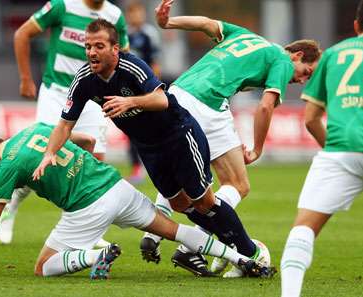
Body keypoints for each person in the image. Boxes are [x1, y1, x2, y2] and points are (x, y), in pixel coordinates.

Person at [33, 19, 270, 278]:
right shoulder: (84, 80)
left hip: (179, 135)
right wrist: (49, 154)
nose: (91, 52)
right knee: (180, 205)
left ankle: (250, 251)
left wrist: (130, 102)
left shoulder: (131, 66)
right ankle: (229, 246)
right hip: (148, 148)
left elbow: (161, 99)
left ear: (115, 48)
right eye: (88, 46)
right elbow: (65, 124)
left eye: (98, 46)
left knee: (204, 200)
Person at [0, 123, 273, 279]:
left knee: (43, 267)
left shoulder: (5, 167)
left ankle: (97, 253)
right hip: (116, 186)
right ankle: (242, 257)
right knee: (174, 230)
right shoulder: (32, 130)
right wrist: (84, 166)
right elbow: (85, 138)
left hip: (88, 207)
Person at [138, 0, 322, 277]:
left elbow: (206, 24)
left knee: (184, 174)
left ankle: (155, 233)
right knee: (237, 183)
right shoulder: (282, 60)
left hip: (176, 94)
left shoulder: (247, 36)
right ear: (296, 55)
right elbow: (265, 106)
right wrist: (258, 147)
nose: (302, 80)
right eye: (306, 72)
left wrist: (168, 23)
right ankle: (194, 247)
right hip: (207, 102)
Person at [280, 1, 363, 296]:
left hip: (339, 152)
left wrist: (335, 151)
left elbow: (310, 119)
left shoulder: (333, 54)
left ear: (356, 26)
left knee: (303, 229)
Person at [0, 0, 130, 245]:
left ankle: (89, 228)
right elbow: (22, 34)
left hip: (93, 97)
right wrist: (25, 78)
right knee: (42, 157)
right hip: (56, 92)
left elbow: (123, 56)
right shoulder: (62, 6)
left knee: (94, 161)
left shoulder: (115, 15)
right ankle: (10, 206)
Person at [125, 1, 163, 184]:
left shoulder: (149, 34)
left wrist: (154, 88)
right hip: (128, 91)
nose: (136, 16)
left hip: (145, 90)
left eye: (138, 13)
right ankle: (137, 169)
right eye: (132, 13)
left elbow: (155, 62)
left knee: (152, 128)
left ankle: (159, 165)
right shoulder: (124, 34)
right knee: (131, 130)